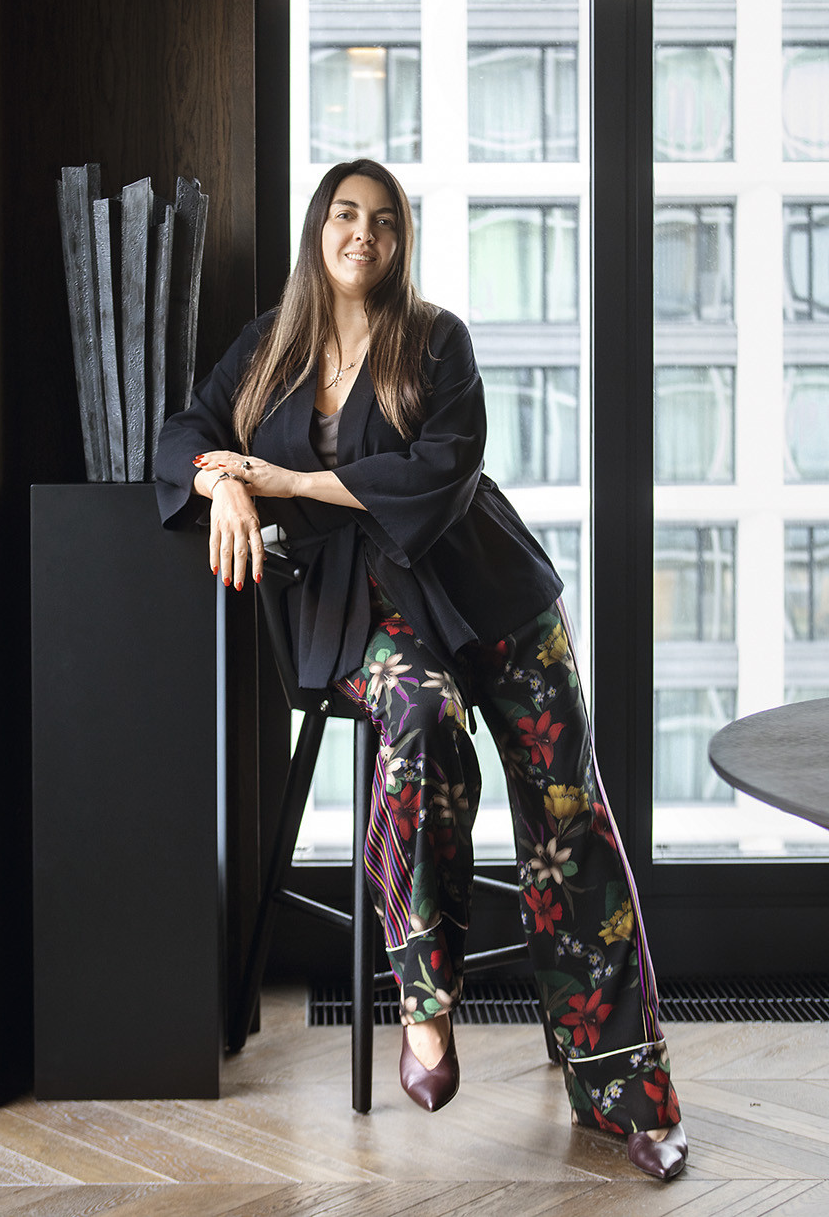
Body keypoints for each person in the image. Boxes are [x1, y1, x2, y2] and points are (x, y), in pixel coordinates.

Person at [154, 158, 688, 1180]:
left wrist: (292, 478)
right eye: (345, 214)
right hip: (368, 614)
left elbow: (443, 468)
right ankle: (425, 998)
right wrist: (223, 484)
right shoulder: (268, 348)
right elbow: (186, 432)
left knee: (569, 823)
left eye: (384, 220)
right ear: (318, 229)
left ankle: (630, 1098)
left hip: (490, 594)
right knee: (422, 724)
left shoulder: (436, 339)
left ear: (401, 241)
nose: (363, 233)